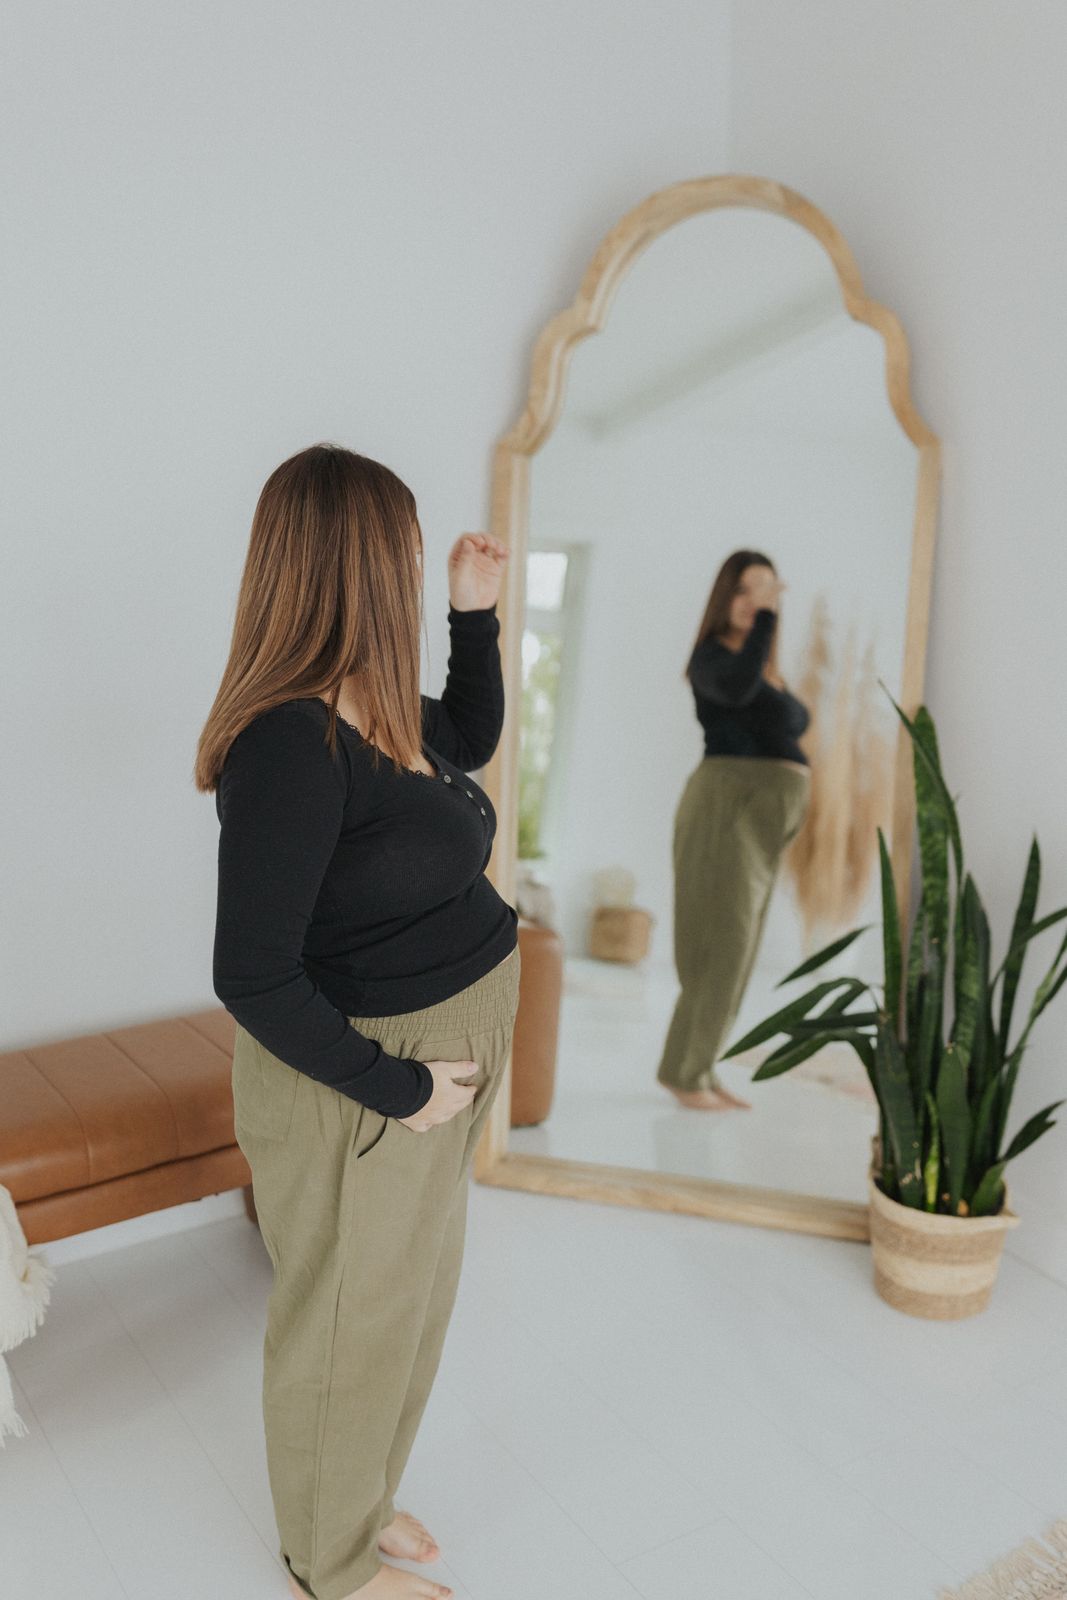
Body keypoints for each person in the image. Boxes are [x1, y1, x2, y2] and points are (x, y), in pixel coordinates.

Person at [195, 444, 519, 1600]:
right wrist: (406, 1092)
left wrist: (470, 618)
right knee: (349, 1320)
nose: (420, 559)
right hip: (376, 1082)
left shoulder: (376, 704)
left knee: (409, 1300)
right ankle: (329, 1565)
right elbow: (253, 976)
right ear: (357, 564)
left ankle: (359, 1501)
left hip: (435, 1064)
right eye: (409, 546)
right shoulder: (291, 744)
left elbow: (464, 741)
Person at [655, 550, 811, 1111]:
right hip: (729, 809)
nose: (759, 602)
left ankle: (702, 1065)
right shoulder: (713, 659)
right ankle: (682, 1072)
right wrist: (768, 621)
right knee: (720, 945)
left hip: (766, 817)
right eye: (748, 591)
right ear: (726, 597)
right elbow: (741, 690)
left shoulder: (766, 668)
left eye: (769, 591)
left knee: (740, 951)